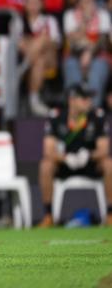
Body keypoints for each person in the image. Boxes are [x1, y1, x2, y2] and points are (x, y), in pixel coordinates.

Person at [39, 83, 112, 227]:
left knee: (109, 164)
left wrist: (88, 155)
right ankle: (48, 215)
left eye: (89, 98)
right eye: (84, 98)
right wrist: (66, 158)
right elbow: (48, 150)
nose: (88, 101)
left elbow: (104, 149)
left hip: (90, 163)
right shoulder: (56, 117)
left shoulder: (97, 116)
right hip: (65, 165)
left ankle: (110, 214)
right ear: (72, 100)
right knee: (45, 165)